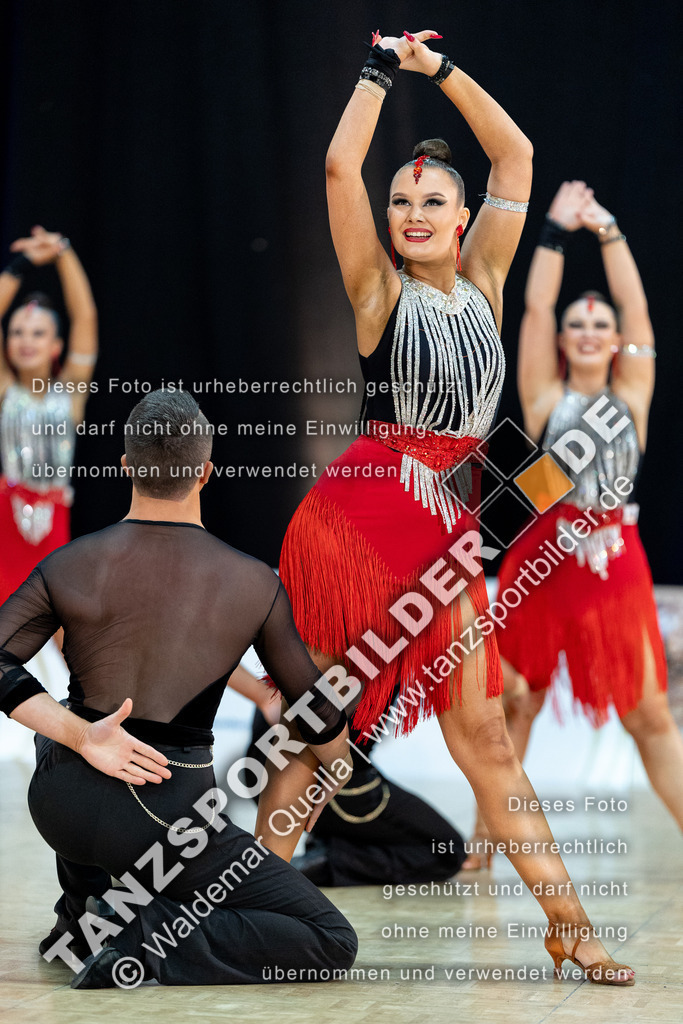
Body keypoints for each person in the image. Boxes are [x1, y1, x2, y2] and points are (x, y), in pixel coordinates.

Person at [254, 31, 635, 985]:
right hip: (367, 514)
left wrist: (442, 73)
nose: (414, 212)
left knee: (349, 723)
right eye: (402, 202)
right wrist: (380, 72)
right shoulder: (374, 287)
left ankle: (561, 923)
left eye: (433, 202)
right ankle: (568, 924)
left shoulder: (488, 281)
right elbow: (342, 161)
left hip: (436, 523)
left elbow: (516, 157)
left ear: (466, 219)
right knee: (360, 723)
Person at [0, 389, 357, 988]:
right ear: (206, 473)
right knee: (330, 940)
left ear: (126, 466)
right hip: (161, 816)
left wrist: (84, 736)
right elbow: (315, 708)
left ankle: (79, 923)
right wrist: (340, 766)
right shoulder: (250, 581)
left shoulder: (69, 562)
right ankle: (138, 939)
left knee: (72, 709)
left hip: (58, 804)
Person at [464, 180, 683, 867]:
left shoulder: (633, 394)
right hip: (540, 559)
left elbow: (638, 306)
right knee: (515, 704)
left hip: (615, 560)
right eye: (575, 324)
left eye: (599, 324)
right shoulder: (544, 395)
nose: (588, 330)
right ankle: (484, 841)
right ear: (562, 341)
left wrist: (608, 231)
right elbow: (531, 306)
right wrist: (554, 235)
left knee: (646, 713)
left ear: (617, 342)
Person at [0, 225, 98, 605]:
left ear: (57, 344)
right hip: (5, 524)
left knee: (54, 625)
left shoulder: (70, 393)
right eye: (17, 332)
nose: (26, 341)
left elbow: (84, 315)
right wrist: (21, 264)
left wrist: (62, 251)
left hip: (53, 524)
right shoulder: (6, 391)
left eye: (38, 333)